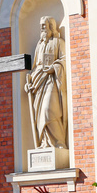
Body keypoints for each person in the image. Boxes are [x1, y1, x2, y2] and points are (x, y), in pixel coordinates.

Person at [25, 16, 67, 148]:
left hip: (52, 80)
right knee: (40, 116)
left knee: (49, 110)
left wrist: (54, 68)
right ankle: (45, 143)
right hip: (39, 82)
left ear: (51, 26)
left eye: (44, 25)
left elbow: (64, 60)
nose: (42, 28)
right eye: (41, 25)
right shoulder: (39, 45)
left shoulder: (58, 42)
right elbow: (36, 66)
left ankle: (58, 143)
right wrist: (30, 83)